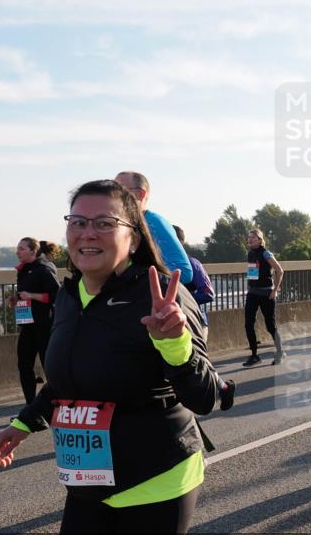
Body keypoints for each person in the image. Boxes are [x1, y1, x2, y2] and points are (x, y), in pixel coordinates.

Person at [0, 179, 220, 535]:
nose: (86, 233)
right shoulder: (71, 294)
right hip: (91, 474)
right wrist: (23, 423)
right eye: (76, 221)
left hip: (156, 472)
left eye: (102, 223)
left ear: (133, 236)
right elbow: (65, 384)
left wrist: (175, 340)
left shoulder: (160, 292)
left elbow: (203, 395)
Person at [173, 226, 234, 411]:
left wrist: (182, 299)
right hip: (167, 326)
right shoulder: (156, 267)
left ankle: (223, 388)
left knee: (196, 363)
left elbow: (208, 293)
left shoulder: (192, 264)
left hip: (195, 323)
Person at [115, 171, 194, 279]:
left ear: (141, 194)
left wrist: (138, 281)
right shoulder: (121, 224)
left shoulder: (155, 223)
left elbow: (184, 272)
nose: (114, 195)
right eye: (113, 190)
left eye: (121, 190)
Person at [14, 238, 61, 403]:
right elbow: (25, 293)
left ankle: (59, 401)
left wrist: (32, 296)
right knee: (23, 364)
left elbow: (57, 295)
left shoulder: (44, 269)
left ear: (33, 251)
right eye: (17, 248)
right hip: (28, 324)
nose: (17, 251)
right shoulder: (24, 269)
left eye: (21, 248)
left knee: (49, 366)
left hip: (45, 325)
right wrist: (16, 300)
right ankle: (30, 405)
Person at [243, 228, 285, 366]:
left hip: (267, 294)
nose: (250, 239)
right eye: (249, 237)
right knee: (248, 324)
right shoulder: (251, 254)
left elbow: (279, 270)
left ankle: (280, 352)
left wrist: (275, 289)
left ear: (260, 240)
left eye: (254, 237)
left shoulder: (266, 253)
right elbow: (253, 274)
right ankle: (254, 355)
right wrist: (249, 288)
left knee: (270, 325)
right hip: (253, 293)